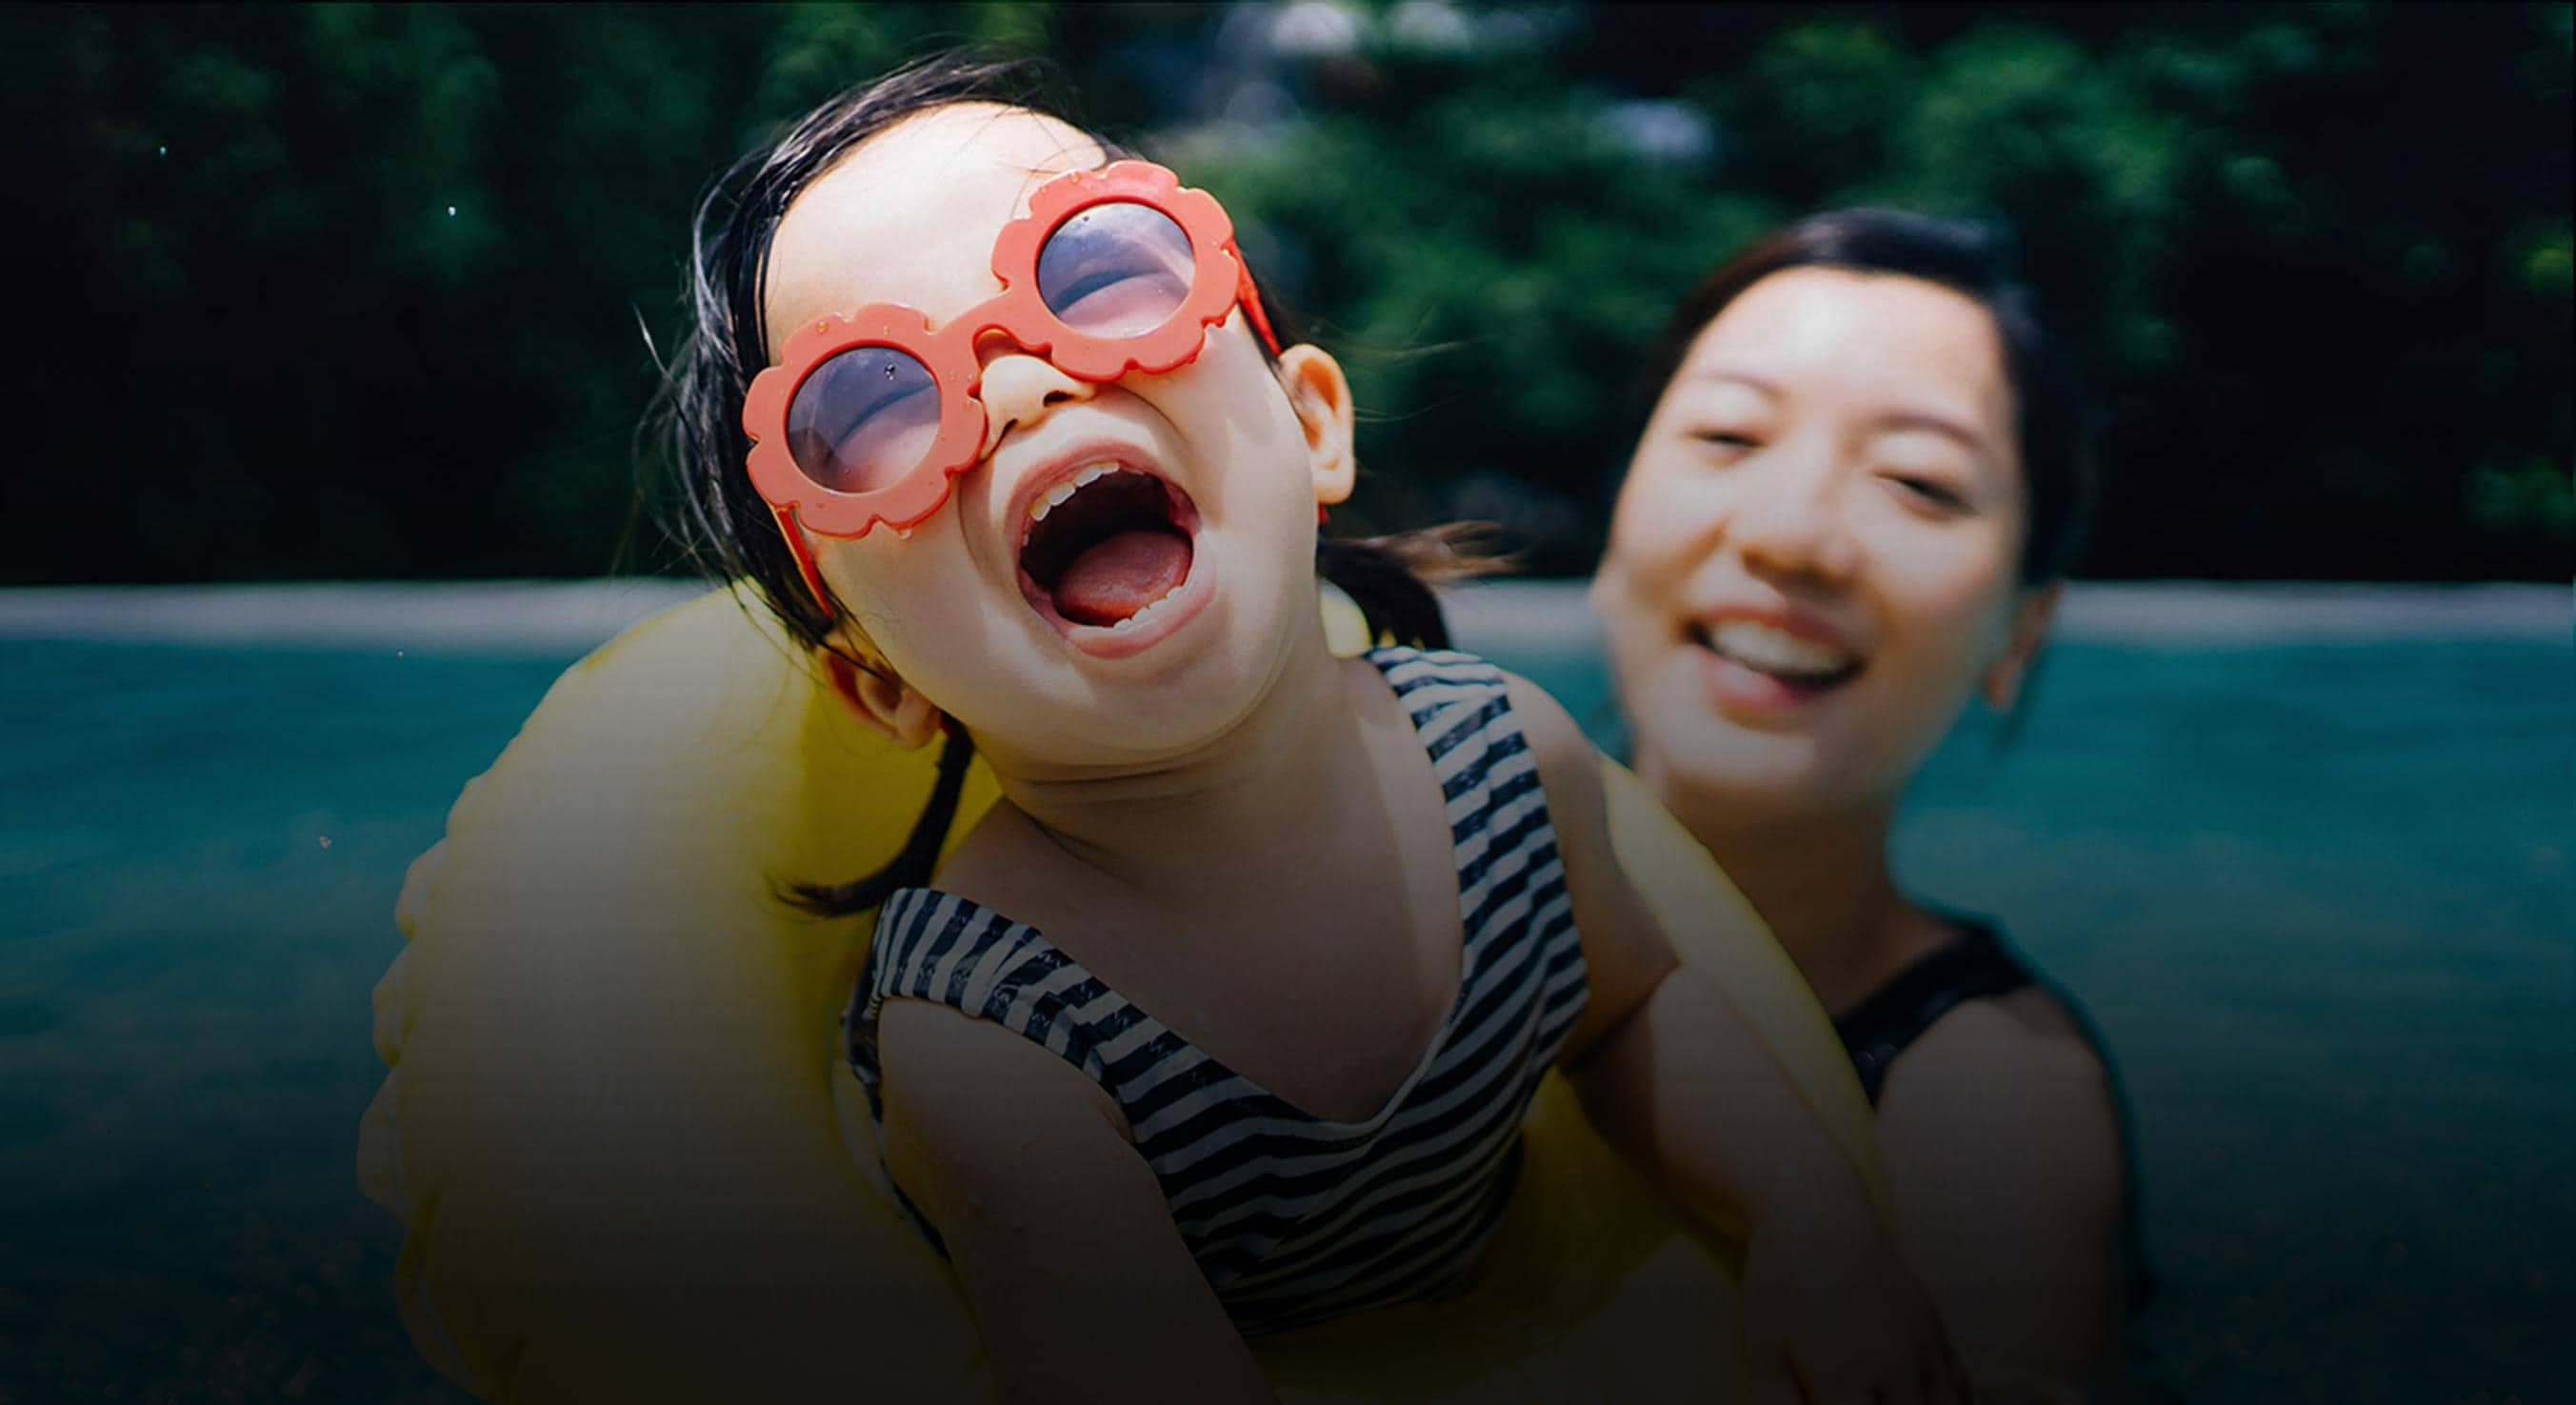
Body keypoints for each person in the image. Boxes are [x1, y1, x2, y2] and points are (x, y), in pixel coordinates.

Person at [654, 56, 1961, 1405]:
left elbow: (1634, 1010)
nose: (1021, 389)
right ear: (883, 683)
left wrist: (1809, 1223)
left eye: (1092, 272)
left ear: (1311, 423)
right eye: (871, 408)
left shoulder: (1507, 765)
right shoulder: (989, 1028)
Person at [1590, 209, 2142, 1395]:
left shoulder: (1990, 1103)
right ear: (1616, 517)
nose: (1792, 538)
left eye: (1918, 482)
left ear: (2019, 633)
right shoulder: (1358, 897)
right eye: (1728, 435)